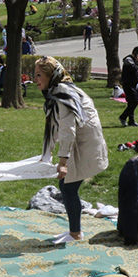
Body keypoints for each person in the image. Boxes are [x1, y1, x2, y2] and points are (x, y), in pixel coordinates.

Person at [34, 56, 108, 243]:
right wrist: (47, 155)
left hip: (85, 144)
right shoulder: (58, 92)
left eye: (39, 75)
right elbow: (54, 127)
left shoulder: (62, 93)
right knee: (67, 187)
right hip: (82, 142)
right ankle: (74, 231)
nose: (35, 79)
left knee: (67, 187)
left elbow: (68, 130)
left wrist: (63, 162)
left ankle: (75, 234)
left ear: (51, 75)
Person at [118, 47, 138, 126]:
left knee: (131, 103)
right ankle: (123, 117)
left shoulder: (133, 60)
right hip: (128, 85)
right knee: (134, 102)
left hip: (132, 84)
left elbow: (132, 73)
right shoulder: (128, 60)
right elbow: (133, 68)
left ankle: (131, 121)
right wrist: (137, 62)